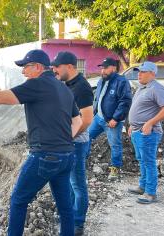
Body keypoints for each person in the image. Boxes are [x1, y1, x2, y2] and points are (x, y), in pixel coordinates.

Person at [0, 49, 82, 236]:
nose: (23, 72)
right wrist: (62, 141)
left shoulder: (36, 84)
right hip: (67, 155)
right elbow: (77, 121)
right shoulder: (64, 89)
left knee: (18, 201)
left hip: (45, 155)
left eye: (26, 67)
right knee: (65, 207)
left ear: (38, 67)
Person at [51, 51, 94, 235]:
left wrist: (68, 137)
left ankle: (78, 223)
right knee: (67, 182)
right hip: (67, 141)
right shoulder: (67, 84)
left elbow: (87, 119)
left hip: (76, 143)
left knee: (77, 184)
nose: (54, 70)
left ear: (69, 66)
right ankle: (68, 216)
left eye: (57, 67)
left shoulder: (82, 87)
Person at [88, 58, 132, 180]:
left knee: (115, 144)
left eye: (105, 68)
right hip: (98, 118)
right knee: (86, 137)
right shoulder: (102, 80)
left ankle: (115, 169)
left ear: (113, 68)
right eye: (101, 68)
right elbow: (98, 97)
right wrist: (95, 112)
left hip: (111, 121)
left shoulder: (121, 82)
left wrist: (116, 118)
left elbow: (125, 102)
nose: (103, 70)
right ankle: (82, 160)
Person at [127, 62, 164, 204]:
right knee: (141, 160)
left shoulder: (156, 88)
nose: (139, 74)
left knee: (148, 162)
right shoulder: (142, 87)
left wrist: (150, 123)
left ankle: (150, 193)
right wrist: (132, 124)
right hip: (137, 131)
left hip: (149, 132)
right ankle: (142, 186)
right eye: (139, 71)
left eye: (143, 71)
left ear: (153, 74)